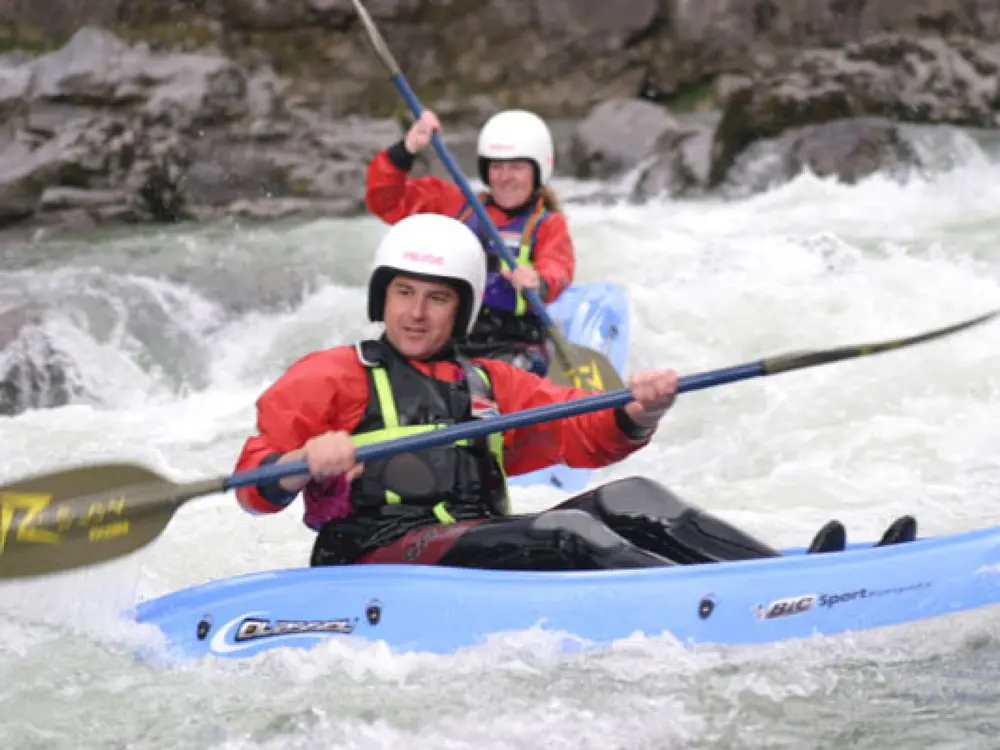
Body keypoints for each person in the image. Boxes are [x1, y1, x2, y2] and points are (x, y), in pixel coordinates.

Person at [234, 213, 899, 570]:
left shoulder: (489, 383)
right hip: (375, 554)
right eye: (403, 294)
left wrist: (638, 411)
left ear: (459, 310)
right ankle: (728, 601)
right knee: (567, 532)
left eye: (436, 299)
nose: (415, 312)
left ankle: (783, 581)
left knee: (637, 499)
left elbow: (580, 430)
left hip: (475, 539)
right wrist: (295, 470)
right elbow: (251, 483)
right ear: (383, 297)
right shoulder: (331, 376)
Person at [365, 107, 573, 376]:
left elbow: (558, 267)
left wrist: (538, 281)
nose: (505, 177)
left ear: (538, 171)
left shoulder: (547, 224)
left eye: (517, 167)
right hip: (452, 331)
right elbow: (385, 201)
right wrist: (405, 151)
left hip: (513, 338)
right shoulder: (456, 204)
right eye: (497, 167)